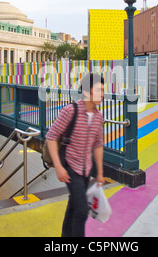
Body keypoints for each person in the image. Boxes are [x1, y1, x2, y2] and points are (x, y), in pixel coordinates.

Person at [45, 73, 105, 237]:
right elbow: (51, 136)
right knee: (81, 210)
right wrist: (58, 167)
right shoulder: (70, 111)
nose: (102, 94)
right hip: (71, 166)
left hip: (86, 169)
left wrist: (99, 173)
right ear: (87, 91)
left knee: (73, 205)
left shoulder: (99, 117)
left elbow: (98, 144)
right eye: (99, 90)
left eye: (103, 90)